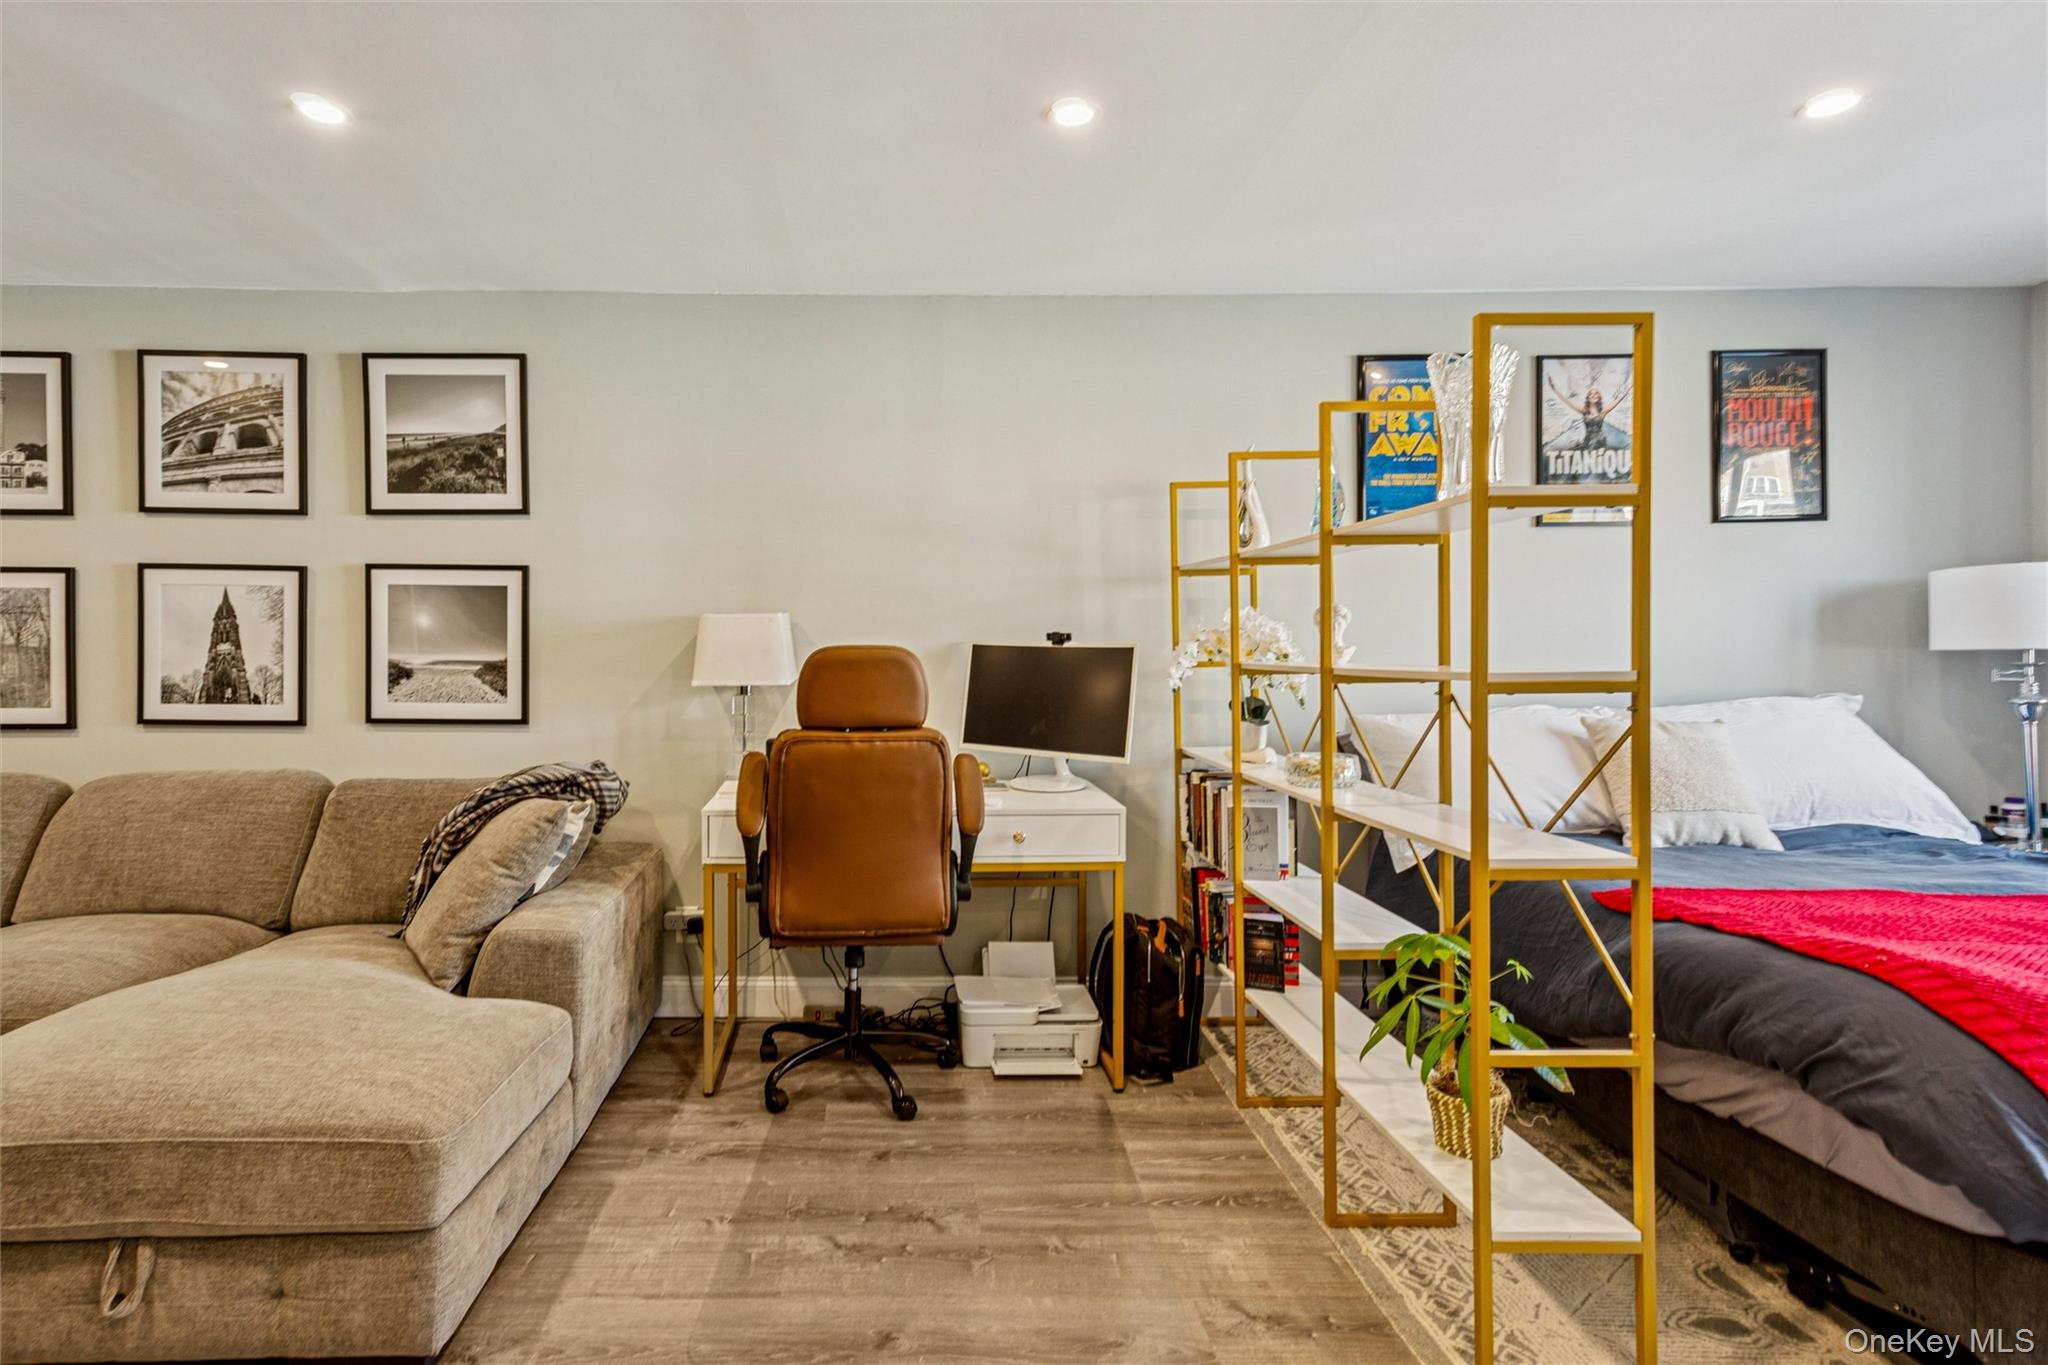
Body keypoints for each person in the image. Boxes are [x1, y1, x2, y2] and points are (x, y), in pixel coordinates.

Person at [1546, 371, 1632, 450]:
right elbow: (1567, 401)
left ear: (1599, 397)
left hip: (1599, 441)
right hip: (1587, 440)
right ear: (1588, 397)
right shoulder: (1584, 410)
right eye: (1590, 394)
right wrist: (1554, 389)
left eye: (1596, 394)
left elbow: (1617, 401)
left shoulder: (1603, 411)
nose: (1593, 395)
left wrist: (1629, 388)